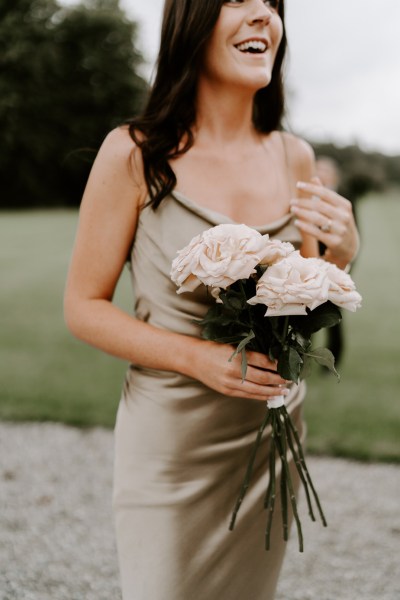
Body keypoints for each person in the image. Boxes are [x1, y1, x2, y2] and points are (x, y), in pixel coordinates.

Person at [64, 1, 359, 598]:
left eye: (272, 5)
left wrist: (340, 260)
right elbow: (83, 305)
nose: (262, 16)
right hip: (171, 446)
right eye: (236, 0)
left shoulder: (294, 156)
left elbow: (298, 317)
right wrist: (197, 357)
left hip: (269, 439)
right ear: (191, 21)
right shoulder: (134, 153)